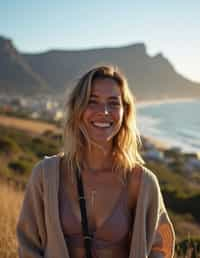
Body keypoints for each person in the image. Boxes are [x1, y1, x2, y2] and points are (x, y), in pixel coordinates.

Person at [16, 65, 175, 258]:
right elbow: (28, 244)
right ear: (77, 108)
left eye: (113, 103)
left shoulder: (142, 183)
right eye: (92, 102)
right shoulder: (46, 175)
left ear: (125, 112)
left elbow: (160, 249)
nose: (104, 111)